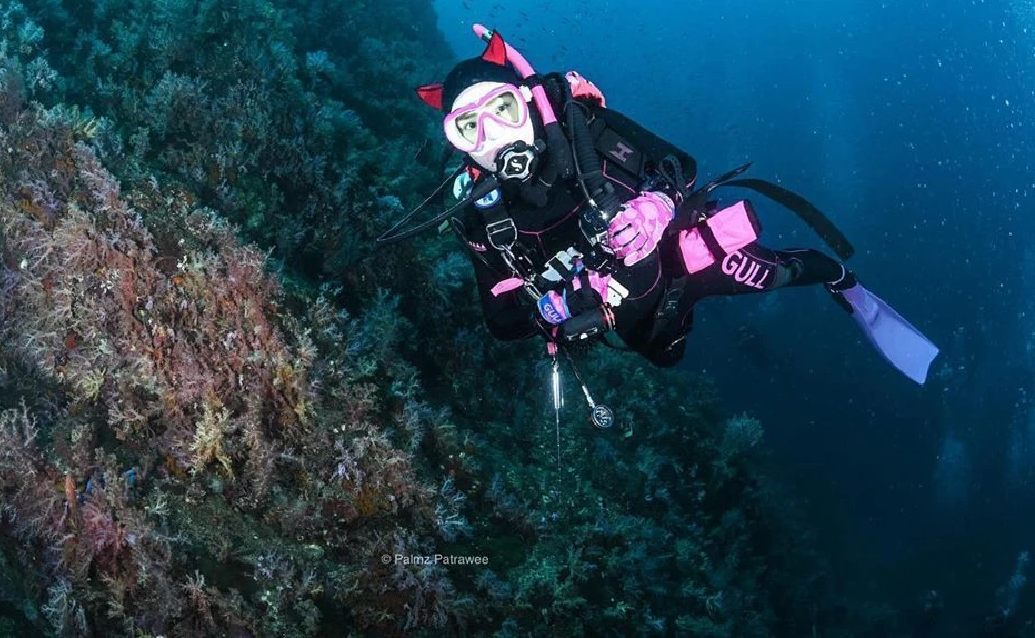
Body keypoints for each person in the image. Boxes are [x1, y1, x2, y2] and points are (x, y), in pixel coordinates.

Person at [396, 26, 938, 383]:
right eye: (470, 128)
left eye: (504, 109)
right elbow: (499, 321)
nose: (494, 137)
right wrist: (551, 310)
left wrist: (656, 204)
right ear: (458, 143)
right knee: (663, 353)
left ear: (530, 103)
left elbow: (679, 162)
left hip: (683, 259)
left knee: (772, 274)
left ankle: (840, 279)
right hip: (620, 308)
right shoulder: (481, 215)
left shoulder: (589, 130)